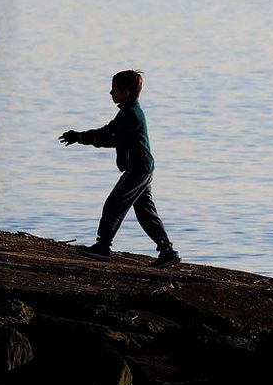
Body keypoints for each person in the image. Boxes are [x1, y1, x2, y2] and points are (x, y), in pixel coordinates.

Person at [59, 69, 181, 267]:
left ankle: (103, 247)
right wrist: (80, 137)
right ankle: (167, 251)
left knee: (114, 204)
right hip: (143, 168)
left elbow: (110, 136)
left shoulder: (131, 114)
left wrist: (80, 138)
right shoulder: (127, 112)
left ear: (126, 92)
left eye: (114, 89)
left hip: (138, 169)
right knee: (145, 212)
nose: (110, 93)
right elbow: (110, 135)